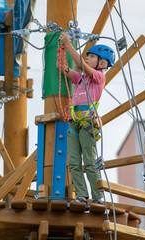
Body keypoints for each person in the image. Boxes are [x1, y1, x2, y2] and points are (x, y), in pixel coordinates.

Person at [57, 32, 115, 206]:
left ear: (102, 63)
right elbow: (66, 71)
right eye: (87, 56)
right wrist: (61, 56)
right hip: (74, 122)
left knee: (89, 161)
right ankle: (82, 194)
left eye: (91, 57)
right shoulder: (81, 79)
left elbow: (81, 64)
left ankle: (97, 196)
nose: (87, 59)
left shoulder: (99, 77)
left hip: (88, 123)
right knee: (74, 161)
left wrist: (68, 43)